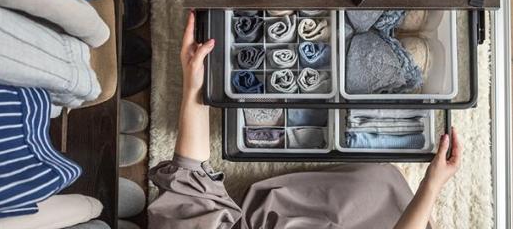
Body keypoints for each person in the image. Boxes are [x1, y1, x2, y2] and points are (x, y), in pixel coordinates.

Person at [147, 12, 462, 229]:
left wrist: (195, 85)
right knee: (379, 191)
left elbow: (191, 182)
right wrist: (430, 186)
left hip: (282, 216)